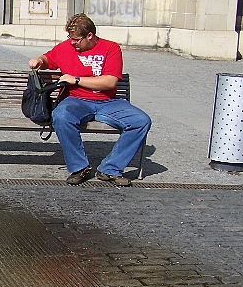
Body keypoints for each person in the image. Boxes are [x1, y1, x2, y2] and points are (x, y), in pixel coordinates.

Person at [28, 13, 151, 186]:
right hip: (75, 100)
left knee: (141, 121)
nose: (73, 42)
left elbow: (110, 82)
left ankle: (110, 169)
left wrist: (76, 79)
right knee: (61, 116)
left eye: (77, 39)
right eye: (70, 38)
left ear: (90, 36)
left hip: (108, 101)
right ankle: (80, 168)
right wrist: (39, 60)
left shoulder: (111, 48)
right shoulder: (65, 48)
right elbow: (49, 58)